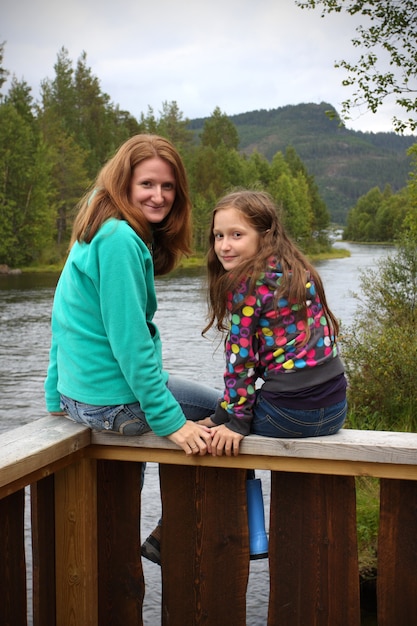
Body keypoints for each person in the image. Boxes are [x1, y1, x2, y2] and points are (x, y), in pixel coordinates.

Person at [44, 134, 219, 563]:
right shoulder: (120, 240)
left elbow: (62, 316)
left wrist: (54, 396)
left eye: (168, 187)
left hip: (78, 400)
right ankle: (175, 529)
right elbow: (131, 343)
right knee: (231, 413)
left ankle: (144, 535)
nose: (158, 196)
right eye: (147, 185)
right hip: (114, 405)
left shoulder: (94, 222)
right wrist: (171, 423)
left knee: (206, 413)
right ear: (124, 183)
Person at [198, 190, 347, 456]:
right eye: (218, 236)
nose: (224, 245)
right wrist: (226, 412)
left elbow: (241, 360)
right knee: (221, 416)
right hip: (336, 410)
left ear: (265, 237)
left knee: (207, 429)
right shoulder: (298, 271)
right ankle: (226, 412)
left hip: (288, 416)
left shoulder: (246, 285)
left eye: (237, 235)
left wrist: (236, 423)